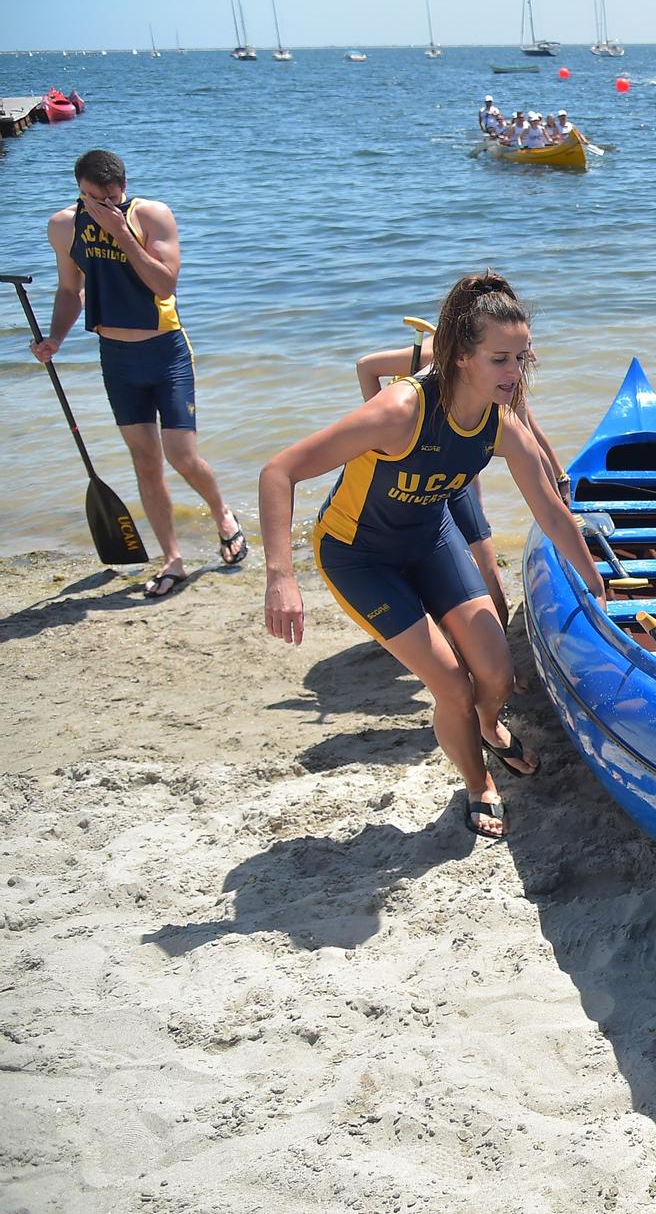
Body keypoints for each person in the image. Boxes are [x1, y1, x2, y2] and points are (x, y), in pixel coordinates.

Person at [262, 272, 605, 840]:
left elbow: (550, 513)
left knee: (495, 674)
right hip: (358, 556)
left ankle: (490, 730)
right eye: (501, 360)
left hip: (427, 537)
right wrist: (281, 577)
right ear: (461, 356)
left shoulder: (501, 424)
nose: (515, 374)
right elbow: (279, 471)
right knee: (452, 683)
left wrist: (596, 587)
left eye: (523, 359)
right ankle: (478, 785)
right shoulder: (399, 411)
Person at [31, 149, 247, 599]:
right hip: (116, 356)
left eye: (116, 196)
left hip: (166, 351)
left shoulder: (152, 215)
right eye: (98, 199)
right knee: (145, 461)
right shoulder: (63, 226)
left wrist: (122, 234)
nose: (110, 205)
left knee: (181, 455)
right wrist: (55, 338)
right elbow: (71, 289)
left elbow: (165, 283)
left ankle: (222, 513)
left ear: (124, 185)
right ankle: (173, 560)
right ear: (80, 189)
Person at [354, 328, 570, 638]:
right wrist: (385, 443)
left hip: (459, 478)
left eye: (525, 351)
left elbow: (528, 431)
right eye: (515, 352)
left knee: (488, 566)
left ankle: (501, 646)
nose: (526, 359)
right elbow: (366, 366)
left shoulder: (507, 371)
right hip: (418, 478)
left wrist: (558, 480)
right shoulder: (437, 355)